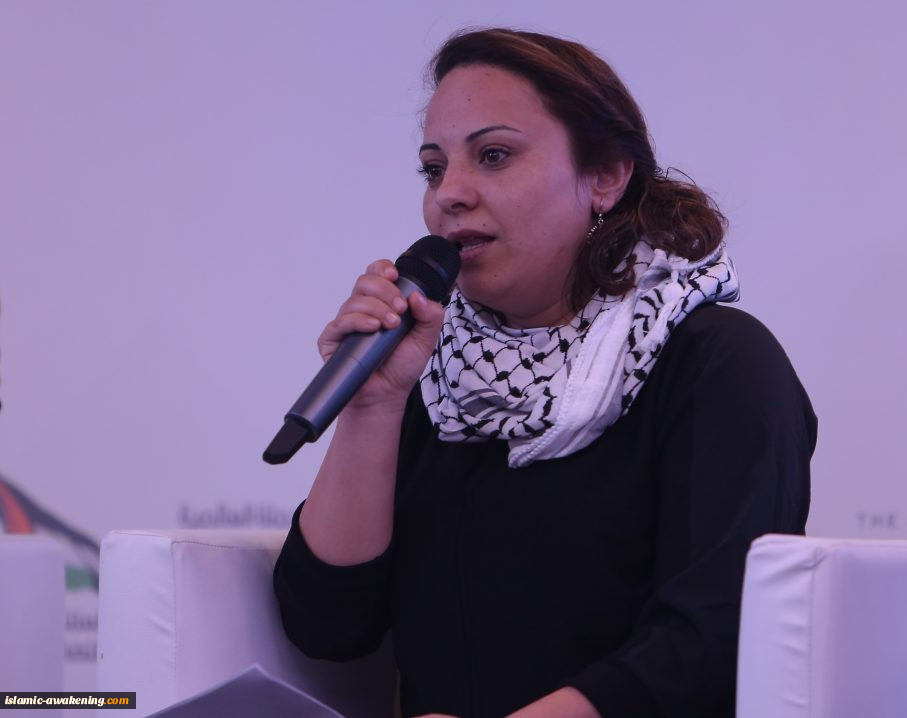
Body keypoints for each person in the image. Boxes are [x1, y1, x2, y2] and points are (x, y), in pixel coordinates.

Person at [273, 28, 816, 718]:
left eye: (494, 156)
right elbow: (326, 626)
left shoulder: (717, 362)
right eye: (433, 169)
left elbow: (710, 641)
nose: (449, 195)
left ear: (606, 176)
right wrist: (372, 407)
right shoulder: (437, 374)